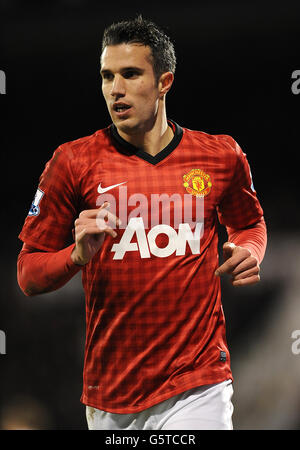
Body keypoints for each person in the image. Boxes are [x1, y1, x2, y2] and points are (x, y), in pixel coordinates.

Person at [17, 15, 267, 430]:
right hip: (110, 395)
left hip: (198, 382)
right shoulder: (72, 162)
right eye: (107, 76)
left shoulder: (220, 156)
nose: (115, 89)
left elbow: (250, 224)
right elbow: (28, 275)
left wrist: (249, 250)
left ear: (164, 82)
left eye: (130, 74)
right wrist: (76, 256)